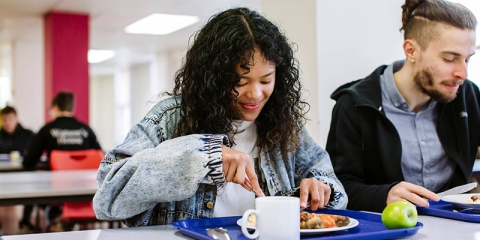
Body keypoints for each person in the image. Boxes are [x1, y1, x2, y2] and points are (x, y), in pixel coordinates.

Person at [93, 7, 347, 226]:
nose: (255, 94)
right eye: (240, 81)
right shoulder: (169, 119)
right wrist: (201, 156)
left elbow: (333, 186)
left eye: (266, 80)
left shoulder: (283, 124)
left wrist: (320, 187)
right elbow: (107, 199)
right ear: (213, 79)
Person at [326, 0, 478, 212]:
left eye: (467, 60)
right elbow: (336, 188)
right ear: (411, 50)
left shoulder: (467, 95)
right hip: (388, 229)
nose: (462, 74)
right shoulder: (354, 105)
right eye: (450, 59)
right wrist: (384, 195)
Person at [21, 91, 102, 232]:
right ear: (72, 108)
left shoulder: (47, 130)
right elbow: (102, 160)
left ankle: (44, 222)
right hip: (87, 194)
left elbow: (28, 161)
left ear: (56, 108)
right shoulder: (87, 130)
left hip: (57, 194)